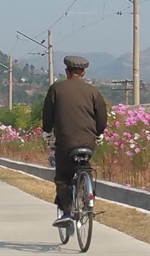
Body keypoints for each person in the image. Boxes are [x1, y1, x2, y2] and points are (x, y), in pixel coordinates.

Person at [42, 55, 108, 227]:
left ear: (66, 72)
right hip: (88, 142)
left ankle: (66, 213)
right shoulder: (93, 91)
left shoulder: (56, 89)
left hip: (65, 141)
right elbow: (102, 118)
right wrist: (98, 133)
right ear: (84, 72)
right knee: (84, 166)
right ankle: (87, 195)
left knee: (63, 177)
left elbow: (47, 117)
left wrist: (47, 132)